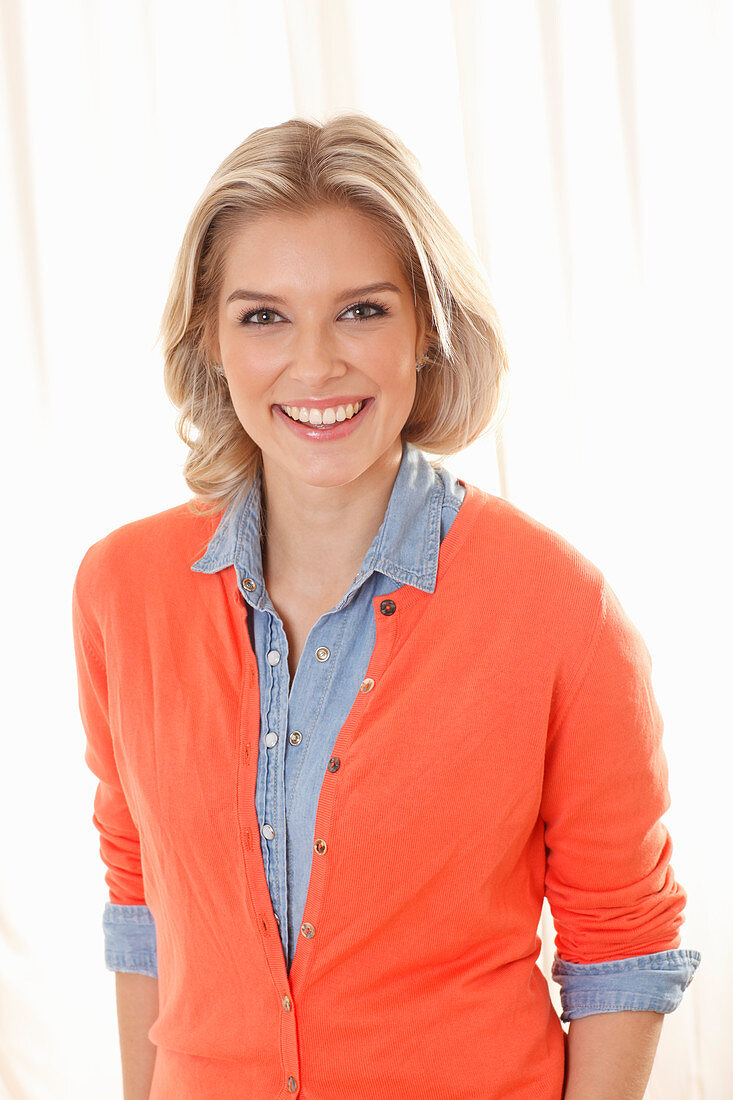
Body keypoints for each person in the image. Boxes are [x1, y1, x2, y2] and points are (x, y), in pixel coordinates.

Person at [71, 112, 700, 1100]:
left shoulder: (558, 608)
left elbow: (619, 941)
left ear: (426, 326)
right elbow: (140, 888)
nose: (315, 364)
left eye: (361, 310)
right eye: (264, 315)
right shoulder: (121, 587)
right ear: (209, 335)